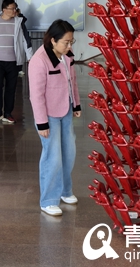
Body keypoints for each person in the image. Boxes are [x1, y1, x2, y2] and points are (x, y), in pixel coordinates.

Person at [28, 19, 82, 216]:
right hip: (48, 115)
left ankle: (65, 191)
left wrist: (76, 104)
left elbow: (72, 81)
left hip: (65, 109)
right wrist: (42, 123)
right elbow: (36, 95)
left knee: (69, 152)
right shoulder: (39, 60)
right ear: (53, 40)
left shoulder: (67, 56)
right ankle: (48, 200)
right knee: (53, 156)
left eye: (71, 41)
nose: (69, 46)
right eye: (66, 42)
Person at [0, 0, 33, 124]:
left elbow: (26, 39)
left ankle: (8, 113)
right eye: (12, 8)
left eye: (15, 8)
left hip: (13, 61)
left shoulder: (19, 22)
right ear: (4, 10)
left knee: (11, 88)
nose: (14, 11)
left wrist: (31, 57)